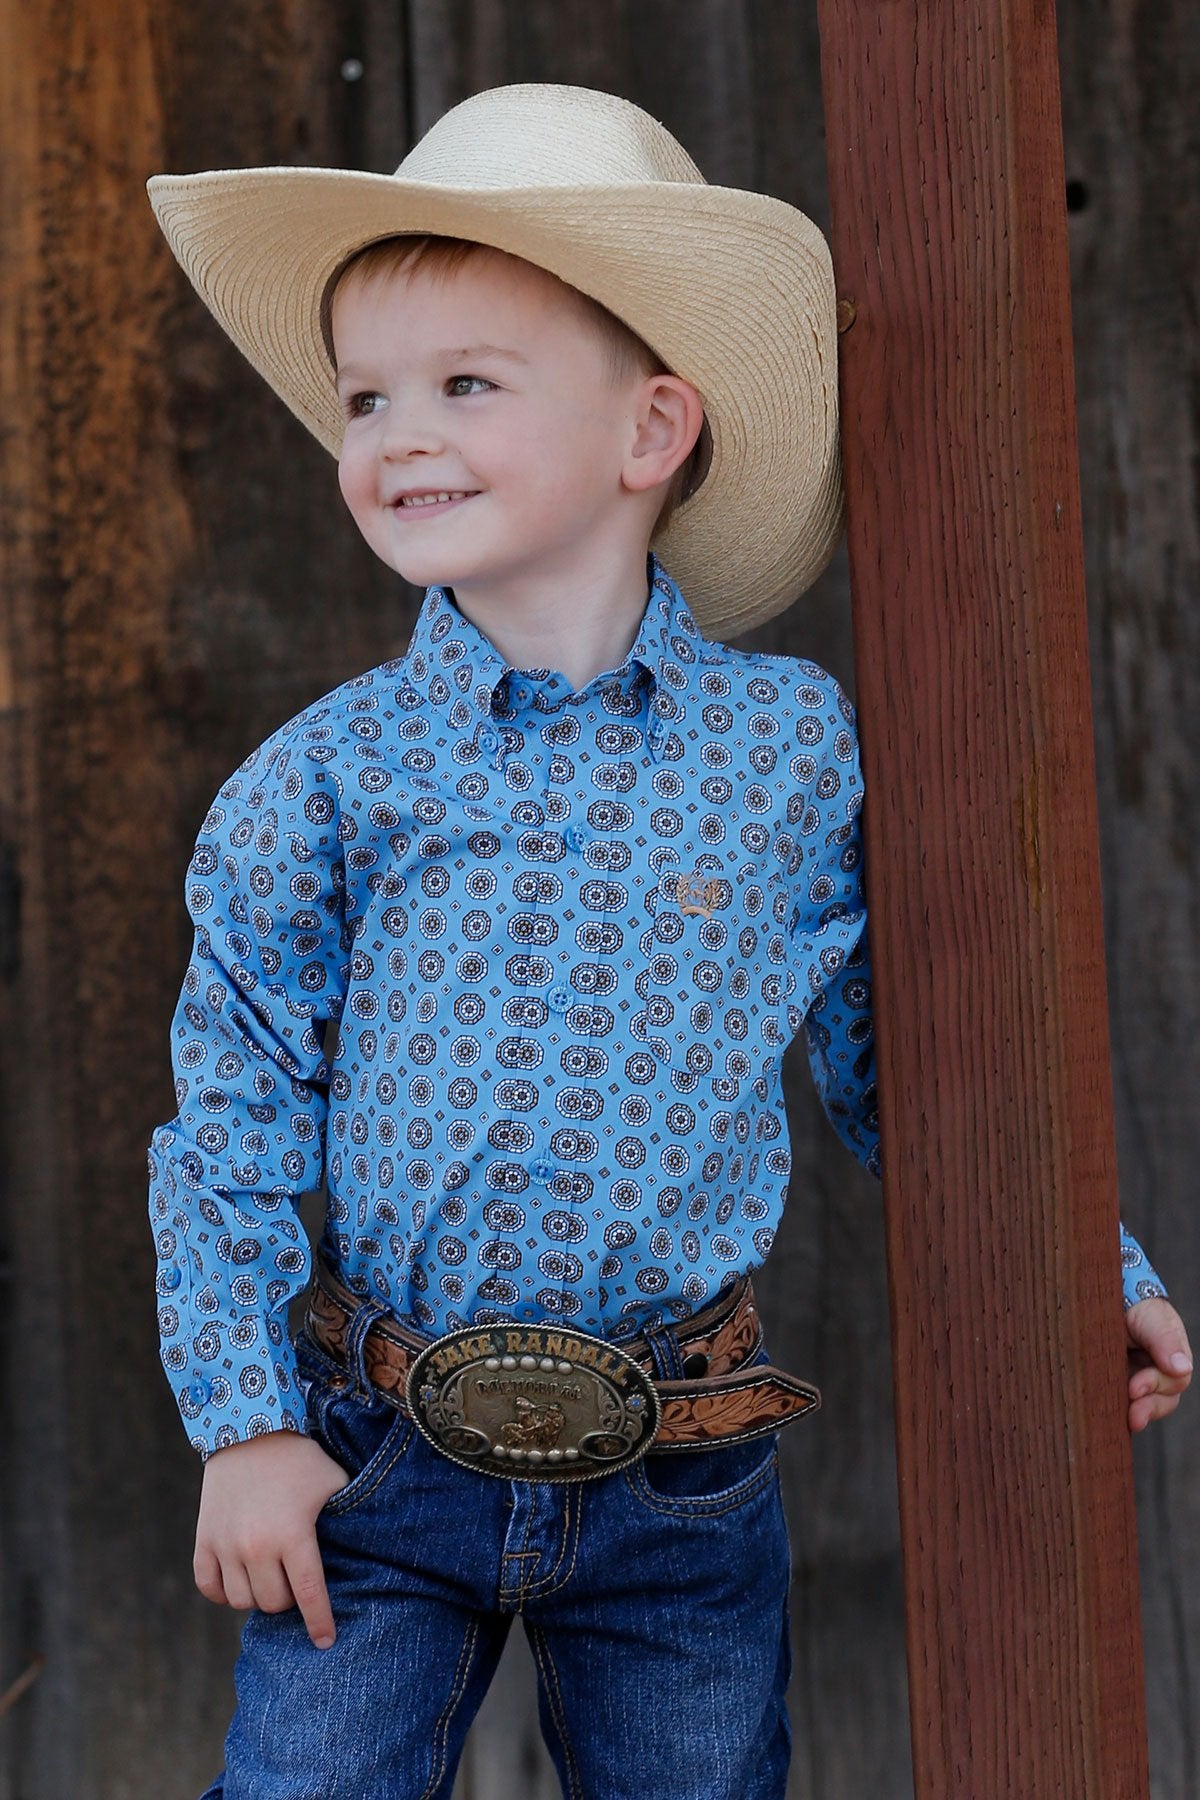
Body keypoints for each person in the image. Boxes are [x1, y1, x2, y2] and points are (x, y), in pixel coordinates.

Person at [146, 83, 1191, 1800]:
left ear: (651, 433)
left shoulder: (791, 752)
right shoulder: (323, 780)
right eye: (365, 398)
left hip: (678, 1463)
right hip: (379, 1449)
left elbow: (908, 1063)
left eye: (465, 386)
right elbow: (230, 1114)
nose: (397, 434)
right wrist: (249, 1426)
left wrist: (1093, 1274)